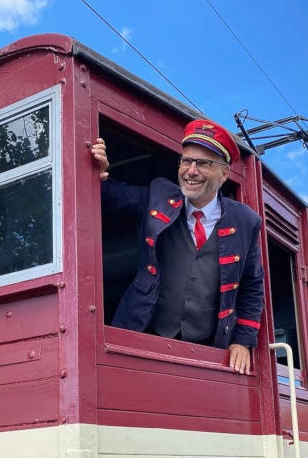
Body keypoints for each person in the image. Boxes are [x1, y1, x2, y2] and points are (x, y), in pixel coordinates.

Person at [91, 119, 265, 374]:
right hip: (143, 332)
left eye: (203, 163)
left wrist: (242, 340)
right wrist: (98, 172)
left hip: (207, 350)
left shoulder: (246, 221)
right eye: (186, 161)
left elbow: (252, 286)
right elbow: (111, 196)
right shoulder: (158, 194)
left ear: (224, 173)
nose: (191, 171)